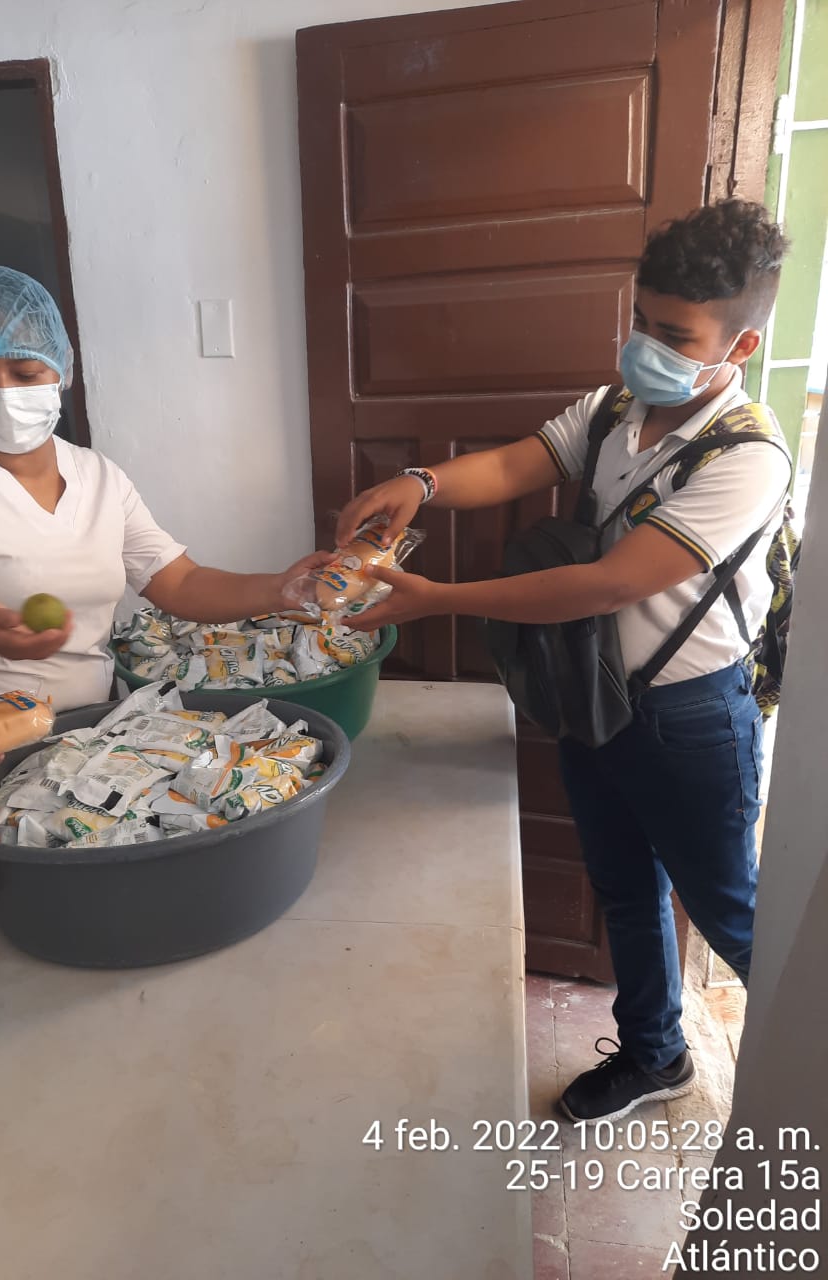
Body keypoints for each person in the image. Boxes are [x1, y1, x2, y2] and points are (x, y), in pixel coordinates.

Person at [336, 200, 791, 1123]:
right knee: (622, 886)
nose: (646, 347)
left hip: (691, 719)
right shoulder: (617, 409)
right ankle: (655, 1055)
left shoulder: (750, 458)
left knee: (733, 914)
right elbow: (514, 467)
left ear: (738, 347)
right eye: (642, 320)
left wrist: (440, 599)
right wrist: (421, 483)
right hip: (593, 696)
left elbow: (607, 584)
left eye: (676, 336)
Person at [0, 266, 330, 933]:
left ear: (61, 370)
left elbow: (178, 581)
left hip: (89, 741)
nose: (4, 393)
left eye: (25, 372)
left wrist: (282, 588)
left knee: (98, 922)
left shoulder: (98, 477)